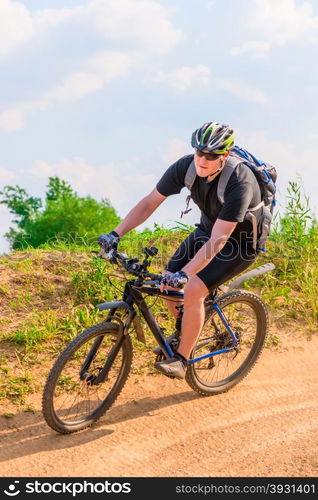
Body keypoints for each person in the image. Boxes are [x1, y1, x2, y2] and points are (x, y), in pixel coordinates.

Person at [98, 122, 263, 380]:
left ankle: (182, 359)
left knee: (194, 287)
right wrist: (115, 234)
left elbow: (220, 240)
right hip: (206, 231)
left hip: (240, 244)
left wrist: (187, 274)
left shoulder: (240, 182)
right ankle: (187, 327)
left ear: (226, 155)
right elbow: (150, 202)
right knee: (167, 281)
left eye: (212, 155)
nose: (203, 160)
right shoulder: (184, 167)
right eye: (200, 152)